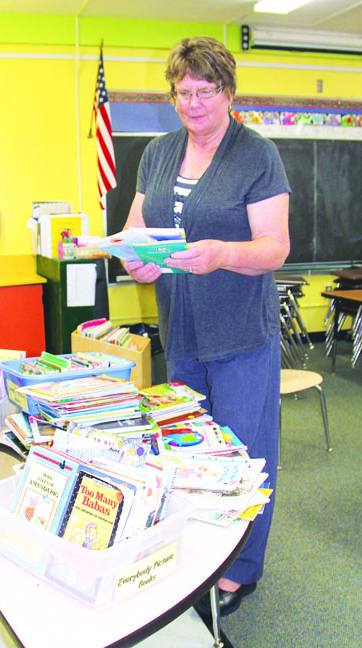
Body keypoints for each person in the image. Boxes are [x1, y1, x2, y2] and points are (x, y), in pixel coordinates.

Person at [122, 36, 291, 618]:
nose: (193, 103)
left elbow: (275, 247)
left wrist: (222, 253)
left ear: (228, 91)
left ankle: (240, 568)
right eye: (183, 92)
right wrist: (134, 258)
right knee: (188, 454)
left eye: (206, 90)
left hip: (241, 333)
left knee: (245, 456)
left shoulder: (256, 154)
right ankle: (197, 553)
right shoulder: (159, 152)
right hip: (183, 331)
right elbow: (135, 229)